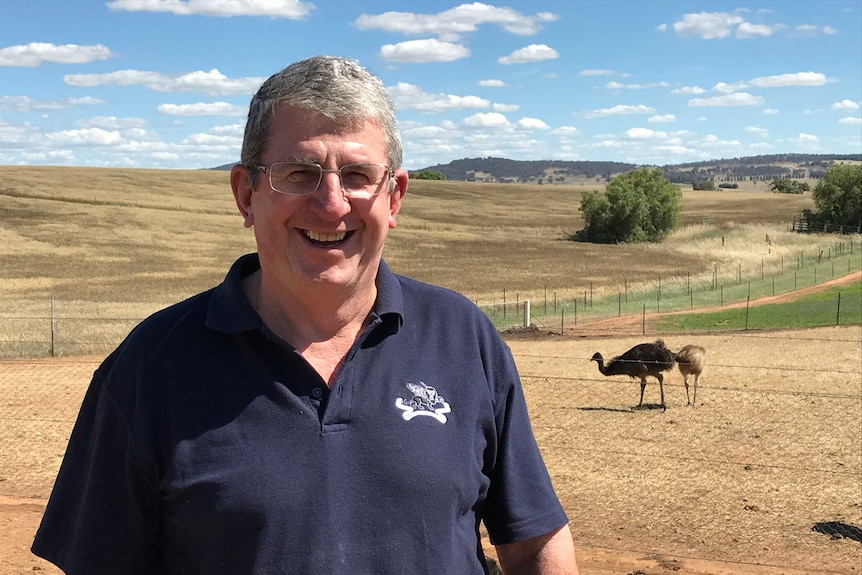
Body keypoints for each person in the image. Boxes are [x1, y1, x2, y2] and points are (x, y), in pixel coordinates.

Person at [32, 55, 579, 574]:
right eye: (299, 172)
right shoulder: (150, 367)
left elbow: (535, 542)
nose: (333, 203)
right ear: (246, 194)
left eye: (359, 176)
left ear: (395, 197)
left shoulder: (463, 338)